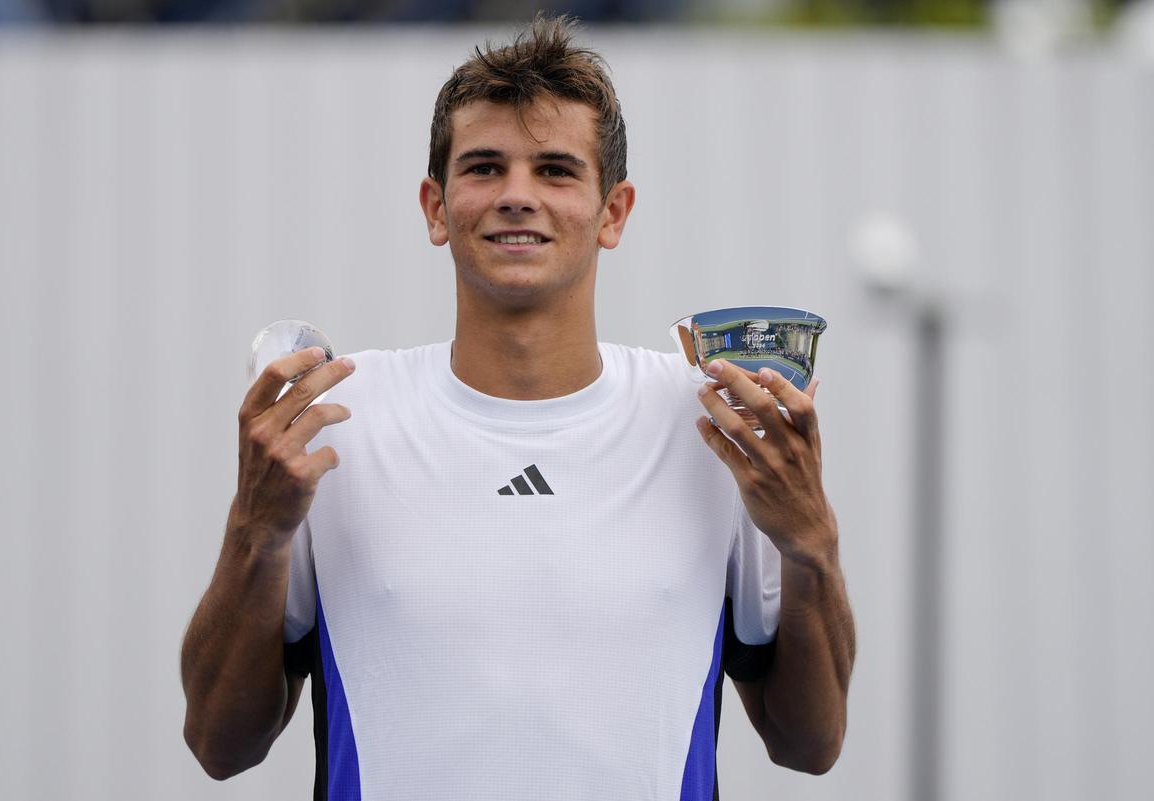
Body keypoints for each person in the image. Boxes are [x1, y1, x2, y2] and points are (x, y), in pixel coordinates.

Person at [180, 13, 855, 800]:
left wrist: (812, 540)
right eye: (485, 167)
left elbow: (810, 744)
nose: (517, 196)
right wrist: (255, 529)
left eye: (557, 170)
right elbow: (219, 743)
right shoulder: (336, 419)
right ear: (436, 206)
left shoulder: (711, 421)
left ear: (614, 212)